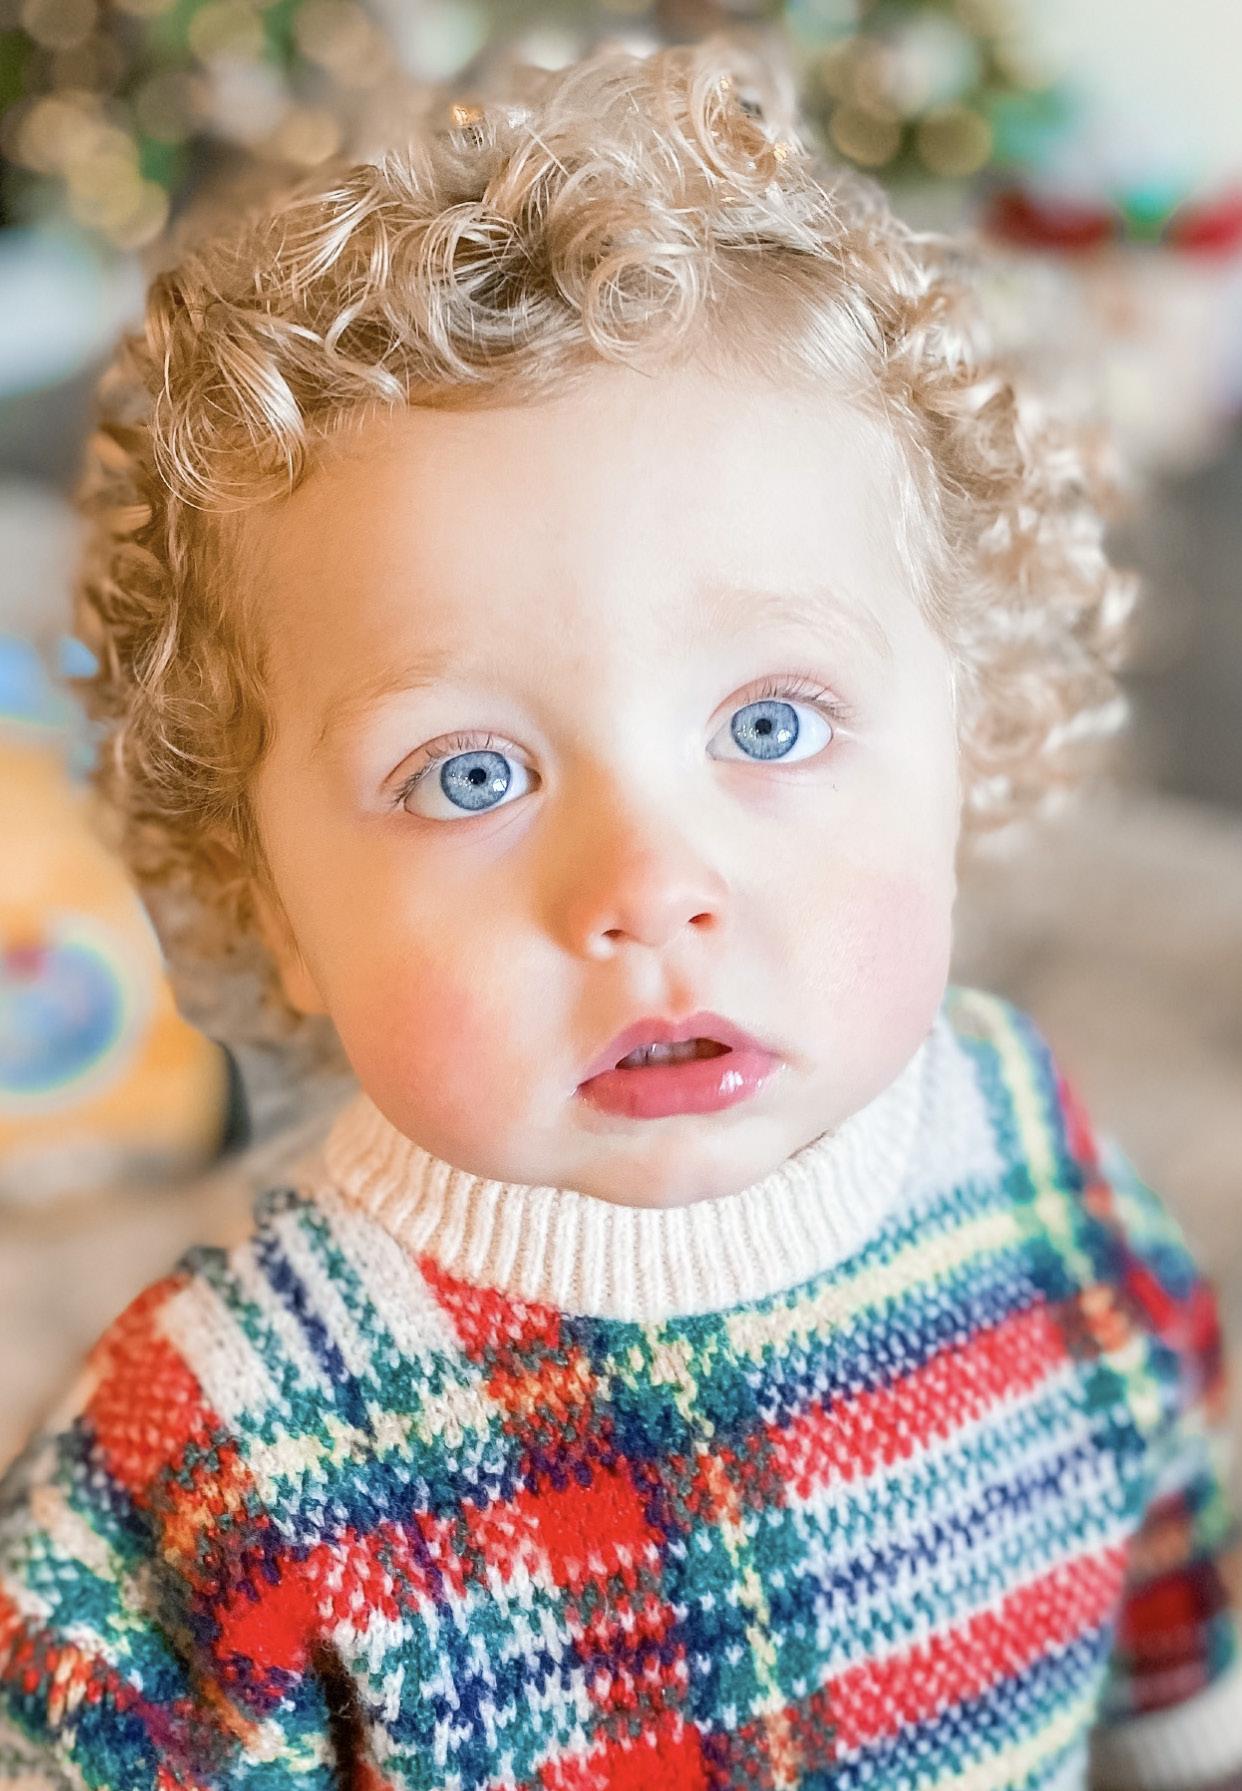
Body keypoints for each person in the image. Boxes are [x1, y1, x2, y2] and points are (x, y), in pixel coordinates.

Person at [1, 32, 1238, 1791]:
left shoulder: (1021, 1142)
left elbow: (1159, 1524)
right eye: (468, 774)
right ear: (258, 895)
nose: (650, 889)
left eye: (771, 726)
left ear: (967, 746)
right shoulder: (210, 1463)